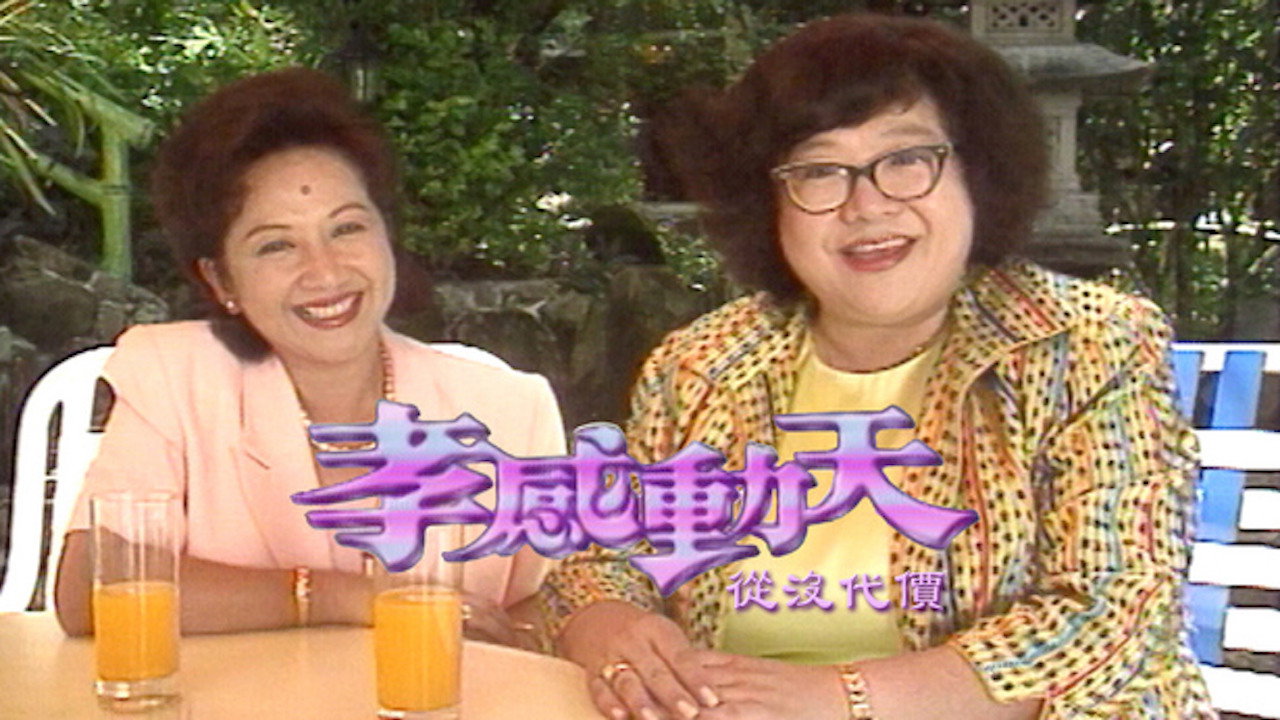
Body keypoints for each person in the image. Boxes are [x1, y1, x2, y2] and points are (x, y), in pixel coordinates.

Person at [541, 13, 1215, 720]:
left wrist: (839, 698)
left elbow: (1111, 612)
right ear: (768, 201)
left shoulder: (1087, 344)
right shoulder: (702, 364)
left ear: (977, 174)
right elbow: (598, 557)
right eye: (818, 171)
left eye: (906, 159)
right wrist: (609, 623)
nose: (866, 206)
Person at [54, 68, 565, 645]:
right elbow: (91, 586)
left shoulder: (512, 408)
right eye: (276, 245)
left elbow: (558, 603)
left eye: (346, 229)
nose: (324, 272)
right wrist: (345, 596)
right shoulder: (173, 378)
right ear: (222, 281)